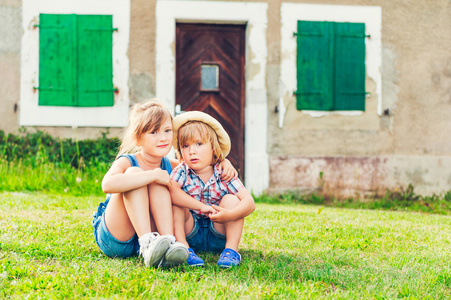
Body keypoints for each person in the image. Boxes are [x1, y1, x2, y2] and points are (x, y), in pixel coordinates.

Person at [91, 99, 237, 268]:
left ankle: (169, 244)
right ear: (137, 139)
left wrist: (223, 161)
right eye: (154, 132)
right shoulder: (128, 161)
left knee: (162, 182)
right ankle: (146, 242)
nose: (163, 138)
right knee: (136, 174)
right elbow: (107, 184)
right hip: (118, 238)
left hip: (157, 242)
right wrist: (152, 175)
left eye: (167, 130)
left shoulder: (174, 167)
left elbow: (204, 165)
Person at [169, 111, 255, 268]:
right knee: (175, 203)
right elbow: (173, 192)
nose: (191, 151)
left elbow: (249, 202)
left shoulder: (224, 172)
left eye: (199, 144)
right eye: (185, 146)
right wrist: (201, 207)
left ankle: (231, 250)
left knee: (231, 200)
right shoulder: (182, 171)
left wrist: (229, 215)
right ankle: (184, 249)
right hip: (191, 232)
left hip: (218, 232)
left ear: (214, 148)